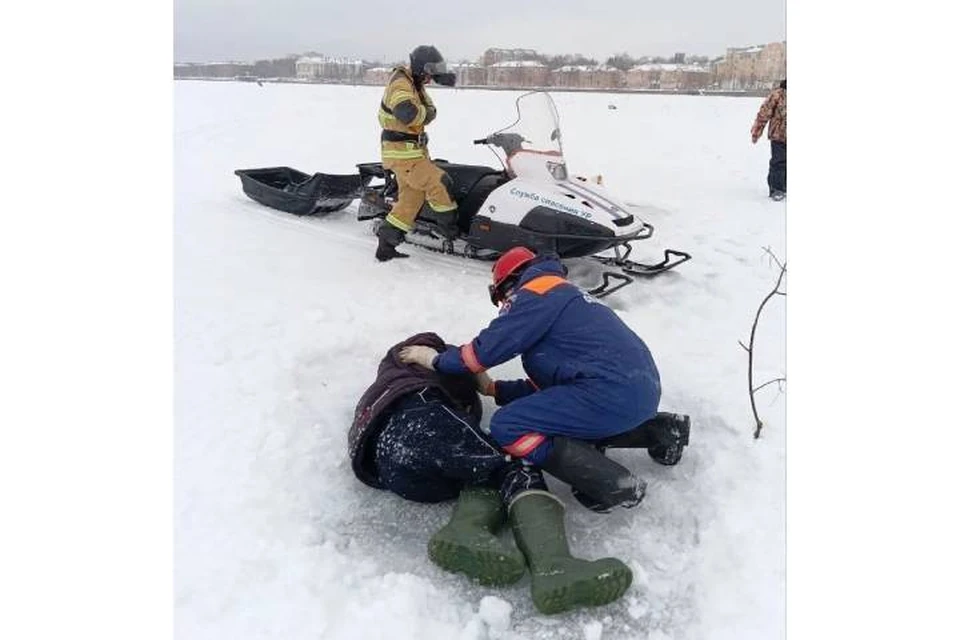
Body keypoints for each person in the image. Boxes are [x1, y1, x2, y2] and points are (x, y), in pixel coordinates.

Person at [349, 332, 634, 614]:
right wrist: (476, 377)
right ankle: (553, 565)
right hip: (417, 420)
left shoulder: (383, 385)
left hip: (391, 470)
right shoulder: (415, 363)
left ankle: (469, 529)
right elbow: (458, 365)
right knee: (513, 461)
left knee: (481, 470)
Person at [399, 247, 690, 513]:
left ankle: (609, 483)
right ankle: (662, 430)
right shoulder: (564, 295)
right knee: (561, 418)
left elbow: (480, 354)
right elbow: (556, 389)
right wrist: (493, 389)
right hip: (639, 391)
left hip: (606, 394)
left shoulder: (534, 295)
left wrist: (433, 360)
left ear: (510, 283)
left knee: (509, 425)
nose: (503, 305)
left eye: (500, 297)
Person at [375, 45, 459, 262]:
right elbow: (409, 114)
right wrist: (426, 113)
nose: (430, 77)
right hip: (402, 154)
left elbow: (431, 111)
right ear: (422, 68)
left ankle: (386, 245)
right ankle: (451, 231)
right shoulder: (401, 83)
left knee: (411, 200)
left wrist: (443, 77)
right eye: (430, 72)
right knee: (439, 182)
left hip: (412, 152)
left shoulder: (414, 82)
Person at [751, 79, 787, 201]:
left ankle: (785, 186)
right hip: (779, 135)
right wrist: (757, 131)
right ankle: (776, 189)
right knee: (779, 161)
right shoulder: (778, 94)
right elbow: (764, 113)